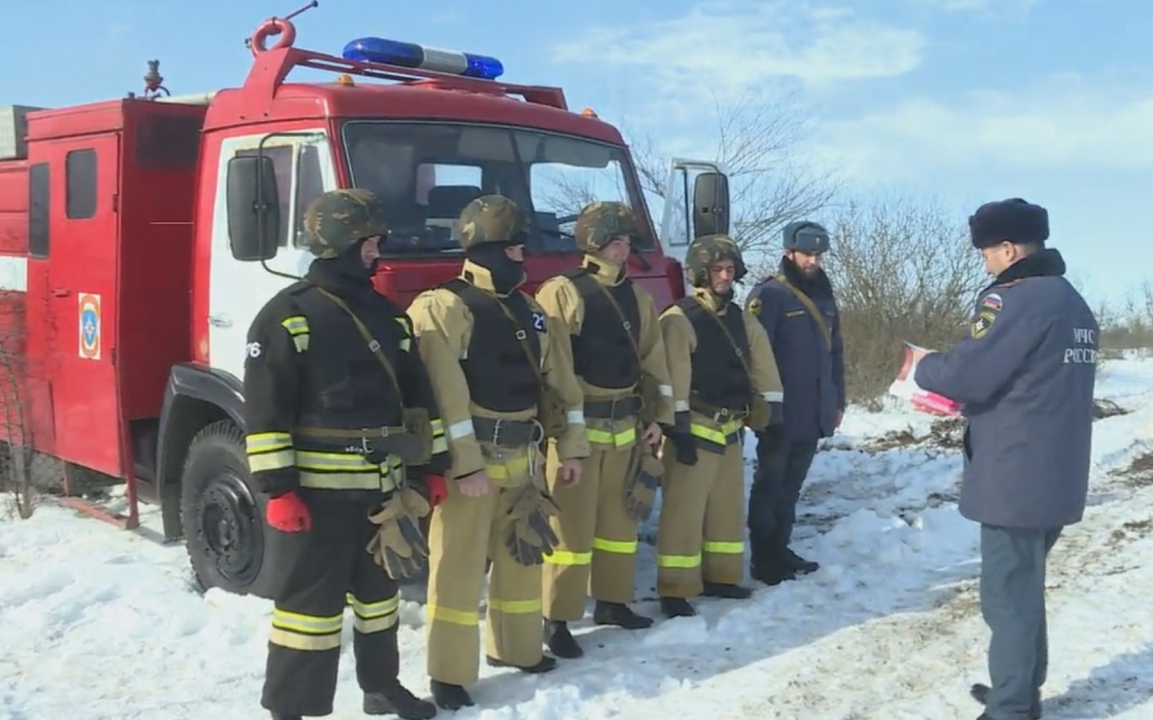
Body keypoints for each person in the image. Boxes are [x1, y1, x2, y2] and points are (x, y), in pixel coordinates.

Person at [243, 188, 451, 720]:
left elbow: (419, 399)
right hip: (318, 498)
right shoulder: (289, 317)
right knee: (308, 609)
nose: (378, 250)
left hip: (385, 491)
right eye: (370, 241)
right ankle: (291, 707)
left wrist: (432, 468)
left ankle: (381, 688)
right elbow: (266, 414)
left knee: (379, 598)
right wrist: (280, 489)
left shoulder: (389, 316)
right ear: (340, 241)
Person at [911, 198, 1098, 720]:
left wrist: (924, 367)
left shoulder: (1014, 300)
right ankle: (1020, 693)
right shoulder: (1072, 301)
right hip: (1057, 472)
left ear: (1010, 249)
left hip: (1015, 474)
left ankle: (1011, 708)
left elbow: (970, 374)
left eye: (987, 253)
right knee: (1024, 588)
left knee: (1007, 597)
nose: (986, 263)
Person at [406, 194, 590, 710]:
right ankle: (448, 672)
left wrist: (570, 449)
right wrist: (464, 466)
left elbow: (561, 387)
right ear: (486, 248)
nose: (522, 257)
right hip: (475, 463)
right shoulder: (442, 307)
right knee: (458, 568)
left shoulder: (531, 311)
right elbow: (446, 397)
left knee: (522, 557)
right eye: (514, 249)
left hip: (525, 459)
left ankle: (518, 647)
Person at [534, 200, 675, 658]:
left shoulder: (637, 297)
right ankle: (555, 618)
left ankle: (613, 601)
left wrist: (657, 418)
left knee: (620, 524)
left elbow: (653, 360)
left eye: (627, 239)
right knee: (569, 533)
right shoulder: (562, 292)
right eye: (615, 238)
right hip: (580, 429)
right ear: (593, 242)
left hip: (627, 427)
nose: (624, 246)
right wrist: (566, 438)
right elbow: (555, 368)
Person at [655, 233, 785, 618]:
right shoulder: (679, 319)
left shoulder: (743, 320)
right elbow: (673, 375)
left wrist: (772, 416)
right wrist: (675, 427)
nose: (725, 276)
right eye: (717, 270)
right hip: (693, 428)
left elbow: (764, 368)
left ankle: (722, 575)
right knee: (684, 513)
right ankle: (675, 588)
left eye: (730, 269)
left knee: (726, 510)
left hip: (730, 429)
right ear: (700, 273)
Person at [744, 221, 845, 585]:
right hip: (780, 412)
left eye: (818, 255)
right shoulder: (769, 295)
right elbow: (754, 355)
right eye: (806, 254)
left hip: (814, 410)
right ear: (789, 253)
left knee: (791, 488)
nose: (813, 261)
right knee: (769, 486)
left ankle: (782, 549)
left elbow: (836, 353)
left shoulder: (823, 294)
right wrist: (760, 408)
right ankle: (764, 558)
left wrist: (838, 400)